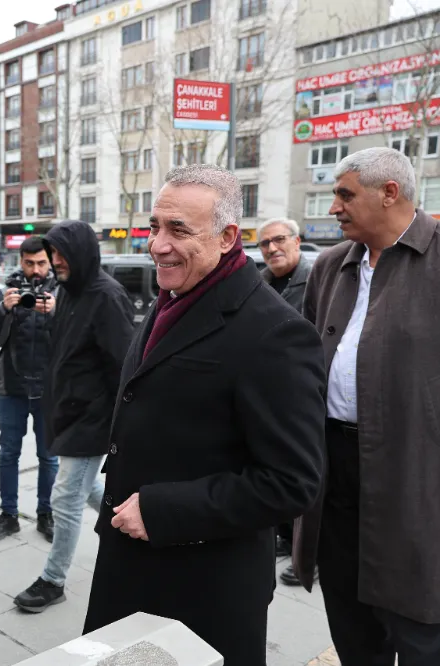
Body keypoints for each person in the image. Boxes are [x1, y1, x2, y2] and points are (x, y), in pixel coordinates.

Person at [82, 164, 326, 665]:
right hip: (128, 564)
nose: (158, 245)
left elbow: (292, 482)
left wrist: (164, 509)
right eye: (154, 226)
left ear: (228, 237)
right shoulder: (174, 295)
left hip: (204, 586)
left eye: (179, 230)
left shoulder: (274, 331)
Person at [294, 147, 440, 665]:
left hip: (415, 482)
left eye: (345, 194)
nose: (334, 207)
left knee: (420, 632)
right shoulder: (331, 266)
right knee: (352, 627)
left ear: (390, 193)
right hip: (335, 475)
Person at [12, 220, 134, 613]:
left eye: (62, 254)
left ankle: (53, 579)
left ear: (81, 252)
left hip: (93, 419)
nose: (56, 261)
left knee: (64, 497)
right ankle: (131, 529)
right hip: (67, 413)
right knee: (83, 488)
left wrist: (119, 429)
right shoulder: (66, 292)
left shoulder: (107, 296)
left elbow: (123, 369)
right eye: (53, 254)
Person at [0, 236, 59, 543]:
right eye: (29, 263)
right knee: (8, 454)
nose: (36, 270)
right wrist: (4, 309)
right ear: (21, 262)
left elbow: (73, 341)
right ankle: (9, 516)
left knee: (48, 458)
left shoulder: (61, 294)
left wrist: (55, 313)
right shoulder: (5, 293)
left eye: (41, 263)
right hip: (12, 389)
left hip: (49, 392)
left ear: (50, 261)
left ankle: (46, 514)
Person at [257, 217, 315, 587]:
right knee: (272, 469)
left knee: (304, 478)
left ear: (296, 241)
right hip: (267, 394)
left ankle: (309, 554)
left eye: (279, 240)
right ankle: (284, 539)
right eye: (265, 244)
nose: (272, 248)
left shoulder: (315, 280)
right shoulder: (261, 281)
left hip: (303, 395)